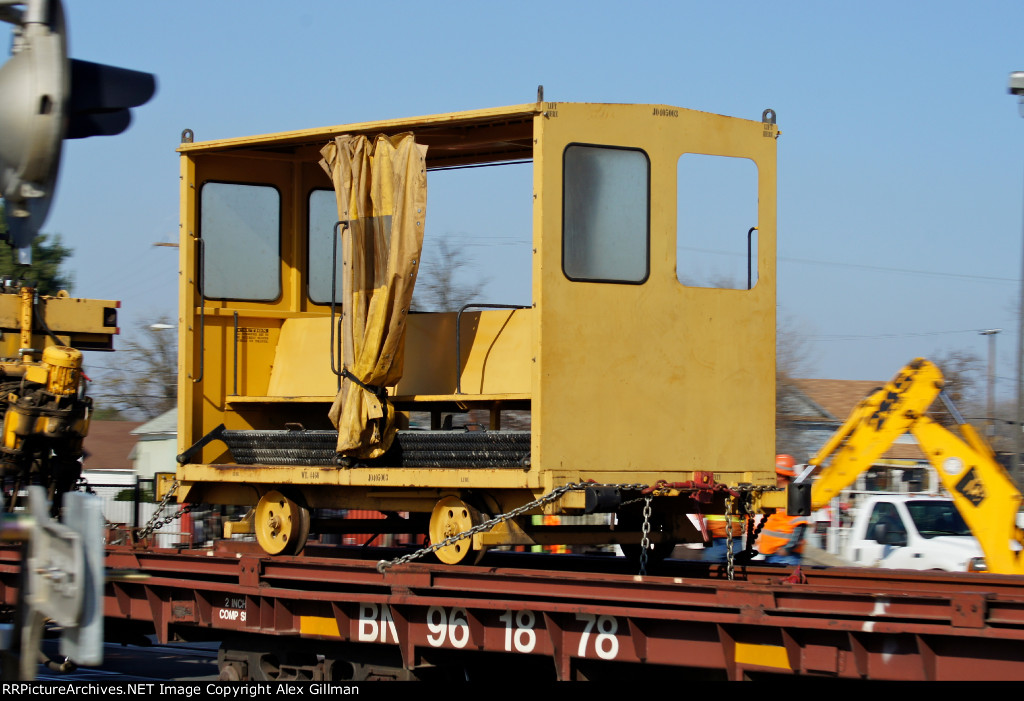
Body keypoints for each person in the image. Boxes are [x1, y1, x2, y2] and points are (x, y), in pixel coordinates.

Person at [756, 454, 809, 565]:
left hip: (785, 556)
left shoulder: (795, 495)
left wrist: (787, 549)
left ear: (780, 476)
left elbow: (800, 526)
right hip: (772, 553)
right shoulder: (776, 494)